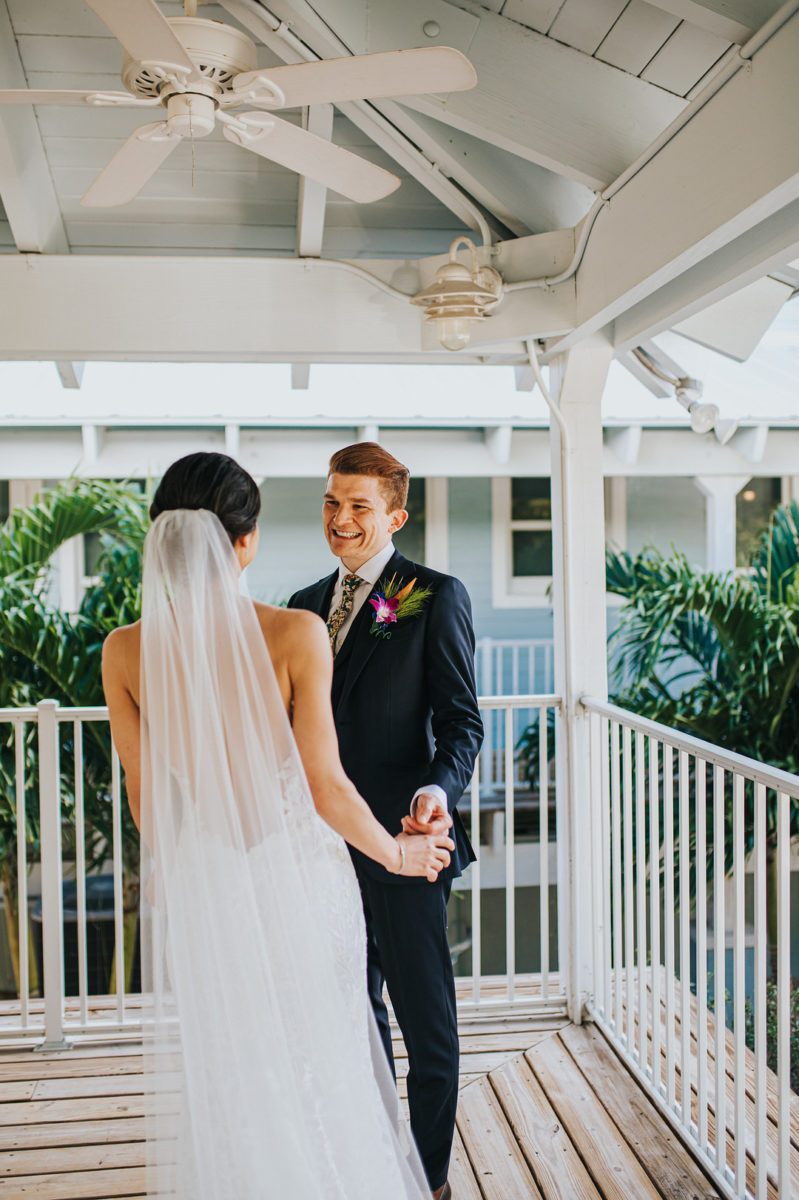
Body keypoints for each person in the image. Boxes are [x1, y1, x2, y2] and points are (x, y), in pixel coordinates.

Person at [102, 451, 455, 1199]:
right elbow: (324, 787)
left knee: (235, 1061)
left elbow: (146, 801)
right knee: (324, 1056)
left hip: (208, 880)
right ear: (245, 539)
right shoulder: (295, 630)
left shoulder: (124, 651)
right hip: (297, 876)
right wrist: (397, 855)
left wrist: (175, 870)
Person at [288, 443, 483, 1200]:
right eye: (332, 502)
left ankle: (428, 1181)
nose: (340, 519)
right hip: (321, 848)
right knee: (353, 1017)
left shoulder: (434, 595)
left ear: (395, 515)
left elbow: (461, 722)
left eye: (358, 506)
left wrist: (441, 789)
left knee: (426, 1026)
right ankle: (374, 1165)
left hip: (406, 842)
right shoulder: (302, 604)